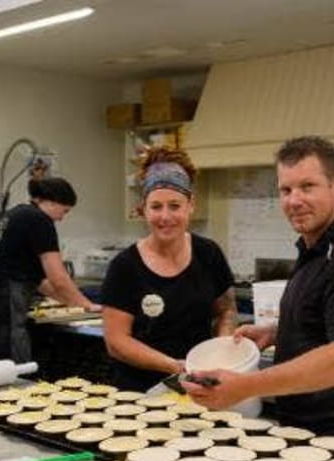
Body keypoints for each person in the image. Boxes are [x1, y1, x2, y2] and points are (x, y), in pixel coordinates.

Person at [184, 136, 334, 447]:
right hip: (309, 430)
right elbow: (324, 321)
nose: (294, 200)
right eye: (286, 189)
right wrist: (276, 333)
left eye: (307, 186)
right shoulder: (315, 247)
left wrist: (246, 386)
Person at [99, 146, 237, 391]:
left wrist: (220, 353)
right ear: (143, 209)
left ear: (190, 205)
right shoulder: (125, 267)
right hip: (139, 395)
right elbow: (116, 341)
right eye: (156, 206)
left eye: (174, 206)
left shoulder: (208, 254)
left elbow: (226, 310)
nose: (165, 216)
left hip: (199, 389)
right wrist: (175, 366)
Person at [0, 176, 98, 362]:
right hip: (1, 307)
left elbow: (37, 280)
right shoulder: (39, 220)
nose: (62, 218)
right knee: (11, 372)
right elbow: (58, 277)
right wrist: (88, 306)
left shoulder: (13, 215)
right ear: (52, 201)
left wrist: (70, 302)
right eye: (64, 211)